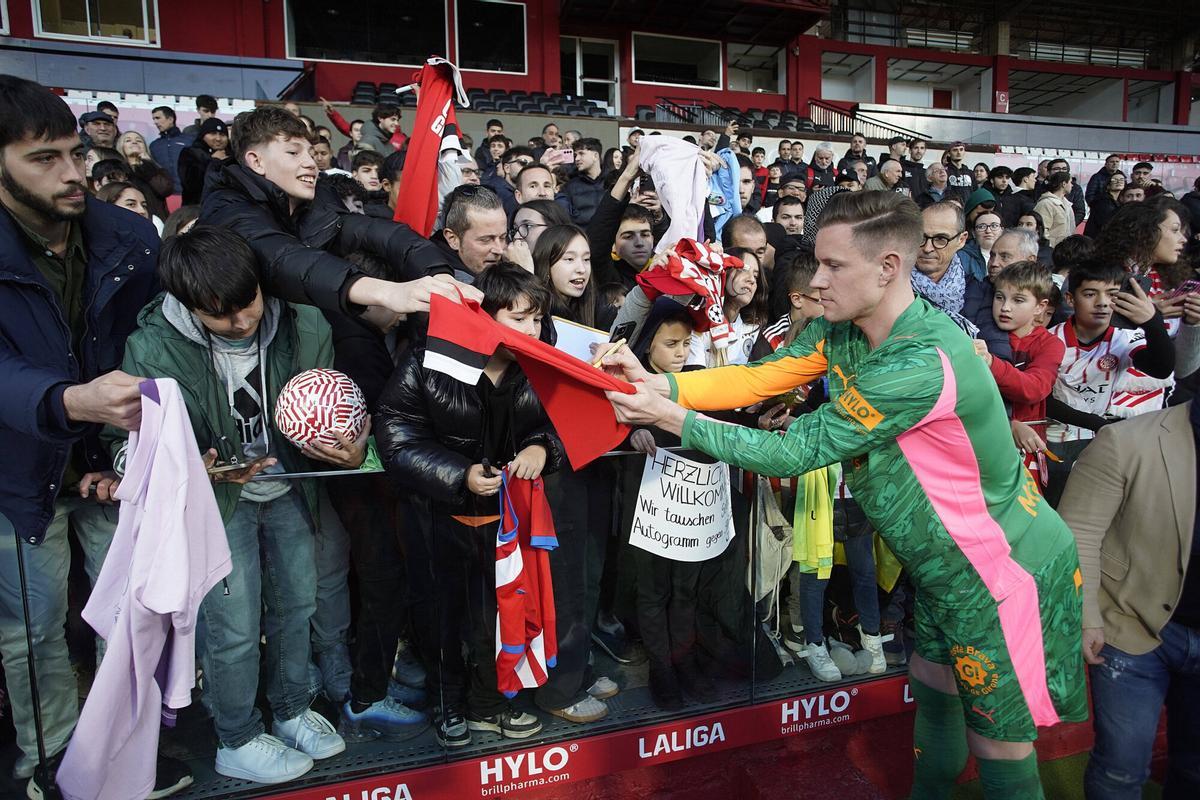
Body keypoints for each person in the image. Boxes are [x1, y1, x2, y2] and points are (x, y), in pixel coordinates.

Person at [602, 190, 1089, 800]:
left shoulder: (919, 362)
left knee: (1000, 749)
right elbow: (762, 375)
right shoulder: (849, 330)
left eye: (834, 266)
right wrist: (663, 383)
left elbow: (790, 450)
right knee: (935, 703)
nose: (817, 280)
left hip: (1000, 574)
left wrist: (671, 415)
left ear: (888, 267)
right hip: (945, 572)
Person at [110, 226, 360, 784]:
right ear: (188, 304)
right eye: (220, 316)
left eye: (247, 304)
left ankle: (293, 708)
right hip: (219, 505)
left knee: (299, 606)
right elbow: (126, 449)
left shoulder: (304, 322)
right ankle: (237, 736)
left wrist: (354, 445)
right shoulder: (152, 345)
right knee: (234, 626)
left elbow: (339, 406)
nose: (242, 322)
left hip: (293, 489)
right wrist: (188, 467)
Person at [0, 74, 191, 799]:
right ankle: (47, 764)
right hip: (20, 474)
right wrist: (68, 401)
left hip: (121, 466)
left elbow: (155, 347)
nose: (74, 173)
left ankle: (126, 753)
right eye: (43, 159)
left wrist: (123, 451)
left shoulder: (130, 235)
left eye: (75, 152)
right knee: (34, 632)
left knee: (133, 620)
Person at [377, 261, 563, 747]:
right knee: (442, 619)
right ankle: (447, 705)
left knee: (501, 614)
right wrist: (459, 475)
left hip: (510, 522)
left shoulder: (544, 364)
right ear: (485, 317)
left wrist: (543, 448)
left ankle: (488, 704)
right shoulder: (428, 360)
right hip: (438, 518)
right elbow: (396, 436)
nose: (531, 329)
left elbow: (564, 424)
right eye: (517, 318)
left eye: (537, 318)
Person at [199, 105, 476, 318]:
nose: (310, 163)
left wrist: (438, 275)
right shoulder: (227, 206)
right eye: (294, 153)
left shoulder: (315, 199)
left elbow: (377, 232)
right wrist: (388, 292)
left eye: (310, 152)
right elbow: (283, 258)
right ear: (256, 161)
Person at [1058, 400, 1200, 799]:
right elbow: (1079, 532)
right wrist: (1087, 616)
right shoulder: (1125, 441)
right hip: (1128, 627)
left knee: (1195, 769)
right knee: (1119, 770)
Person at [1043, 259, 1175, 506]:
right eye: (1090, 294)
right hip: (1054, 438)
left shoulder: (1124, 337)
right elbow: (1044, 399)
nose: (1102, 303)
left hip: (1097, 438)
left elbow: (1161, 368)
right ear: (1071, 299)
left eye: (1112, 295)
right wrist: (1098, 424)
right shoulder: (1050, 340)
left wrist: (1152, 323)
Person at [977, 261, 1065, 484]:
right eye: (1000, 297)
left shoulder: (1050, 344)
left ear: (1040, 306)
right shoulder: (980, 333)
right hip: (981, 444)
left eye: (1018, 300)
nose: (1005, 307)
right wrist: (1009, 424)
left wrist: (990, 362)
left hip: (1024, 453)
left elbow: (1034, 388)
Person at [178, 117, 229, 205]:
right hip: (196, 207)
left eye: (222, 135)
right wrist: (213, 161)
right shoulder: (190, 153)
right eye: (213, 133)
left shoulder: (233, 155)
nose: (218, 138)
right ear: (203, 135)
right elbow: (191, 184)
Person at [150, 105, 194, 194]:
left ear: (170, 119)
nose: (155, 122)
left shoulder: (190, 141)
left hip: (188, 195)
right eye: (154, 119)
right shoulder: (154, 146)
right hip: (164, 196)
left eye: (158, 118)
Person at [1032, 172, 1075, 247]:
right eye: (1070, 182)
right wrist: (1048, 247)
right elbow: (1042, 230)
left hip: (1065, 251)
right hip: (1050, 251)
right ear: (1064, 184)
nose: (1072, 185)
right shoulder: (1046, 204)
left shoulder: (1067, 205)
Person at [1083, 170, 1126, 238]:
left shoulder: (1119, 201)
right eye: (1114, 180)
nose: (1118, 181)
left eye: (1121, 179)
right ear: (1108, 186)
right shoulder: (1103, 202)